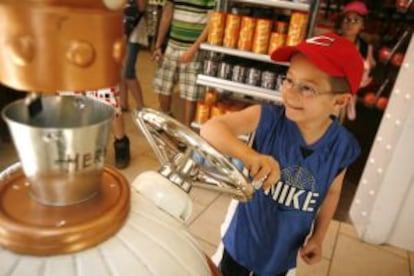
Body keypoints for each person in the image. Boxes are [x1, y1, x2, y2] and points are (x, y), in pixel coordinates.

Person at [200, 32, 364, 275]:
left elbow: (332, 191)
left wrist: (318, 238)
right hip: (242, 243)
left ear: (340, 102)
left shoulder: (342, 148)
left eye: (307, 88)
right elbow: (210, 128)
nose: (290, 92)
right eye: (288, 80)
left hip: (283, 253)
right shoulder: (267, 118)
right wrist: (250, 155)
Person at [152, 0, 215, 126]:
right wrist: (158, 45)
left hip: (194, 49)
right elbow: (166, 14)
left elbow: (211, 23)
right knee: (163, 86)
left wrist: (194, 49)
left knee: (190, 93)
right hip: (172, 45)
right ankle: (166, 120)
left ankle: (187, 130)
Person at [59, 86, 131, 169]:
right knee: (70, 107)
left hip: (100, 76)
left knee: (111, 107)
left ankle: (121, 142)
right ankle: (77, 148)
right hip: (70, 76)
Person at [337, 1, 376, 120]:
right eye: (347, 19)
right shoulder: (332, 41)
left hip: (348, 95)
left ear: (362, 25)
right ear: (341, 22)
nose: (350, 24)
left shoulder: (365, 47)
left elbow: (370, 67)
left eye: (355, 20)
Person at [120, 0, 146, 111]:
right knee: (120, 69)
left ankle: (141, 107)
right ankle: (123, 103)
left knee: (128, 72)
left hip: (133, 32)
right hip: (120, 28)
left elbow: (141, 8)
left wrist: (127, 31)